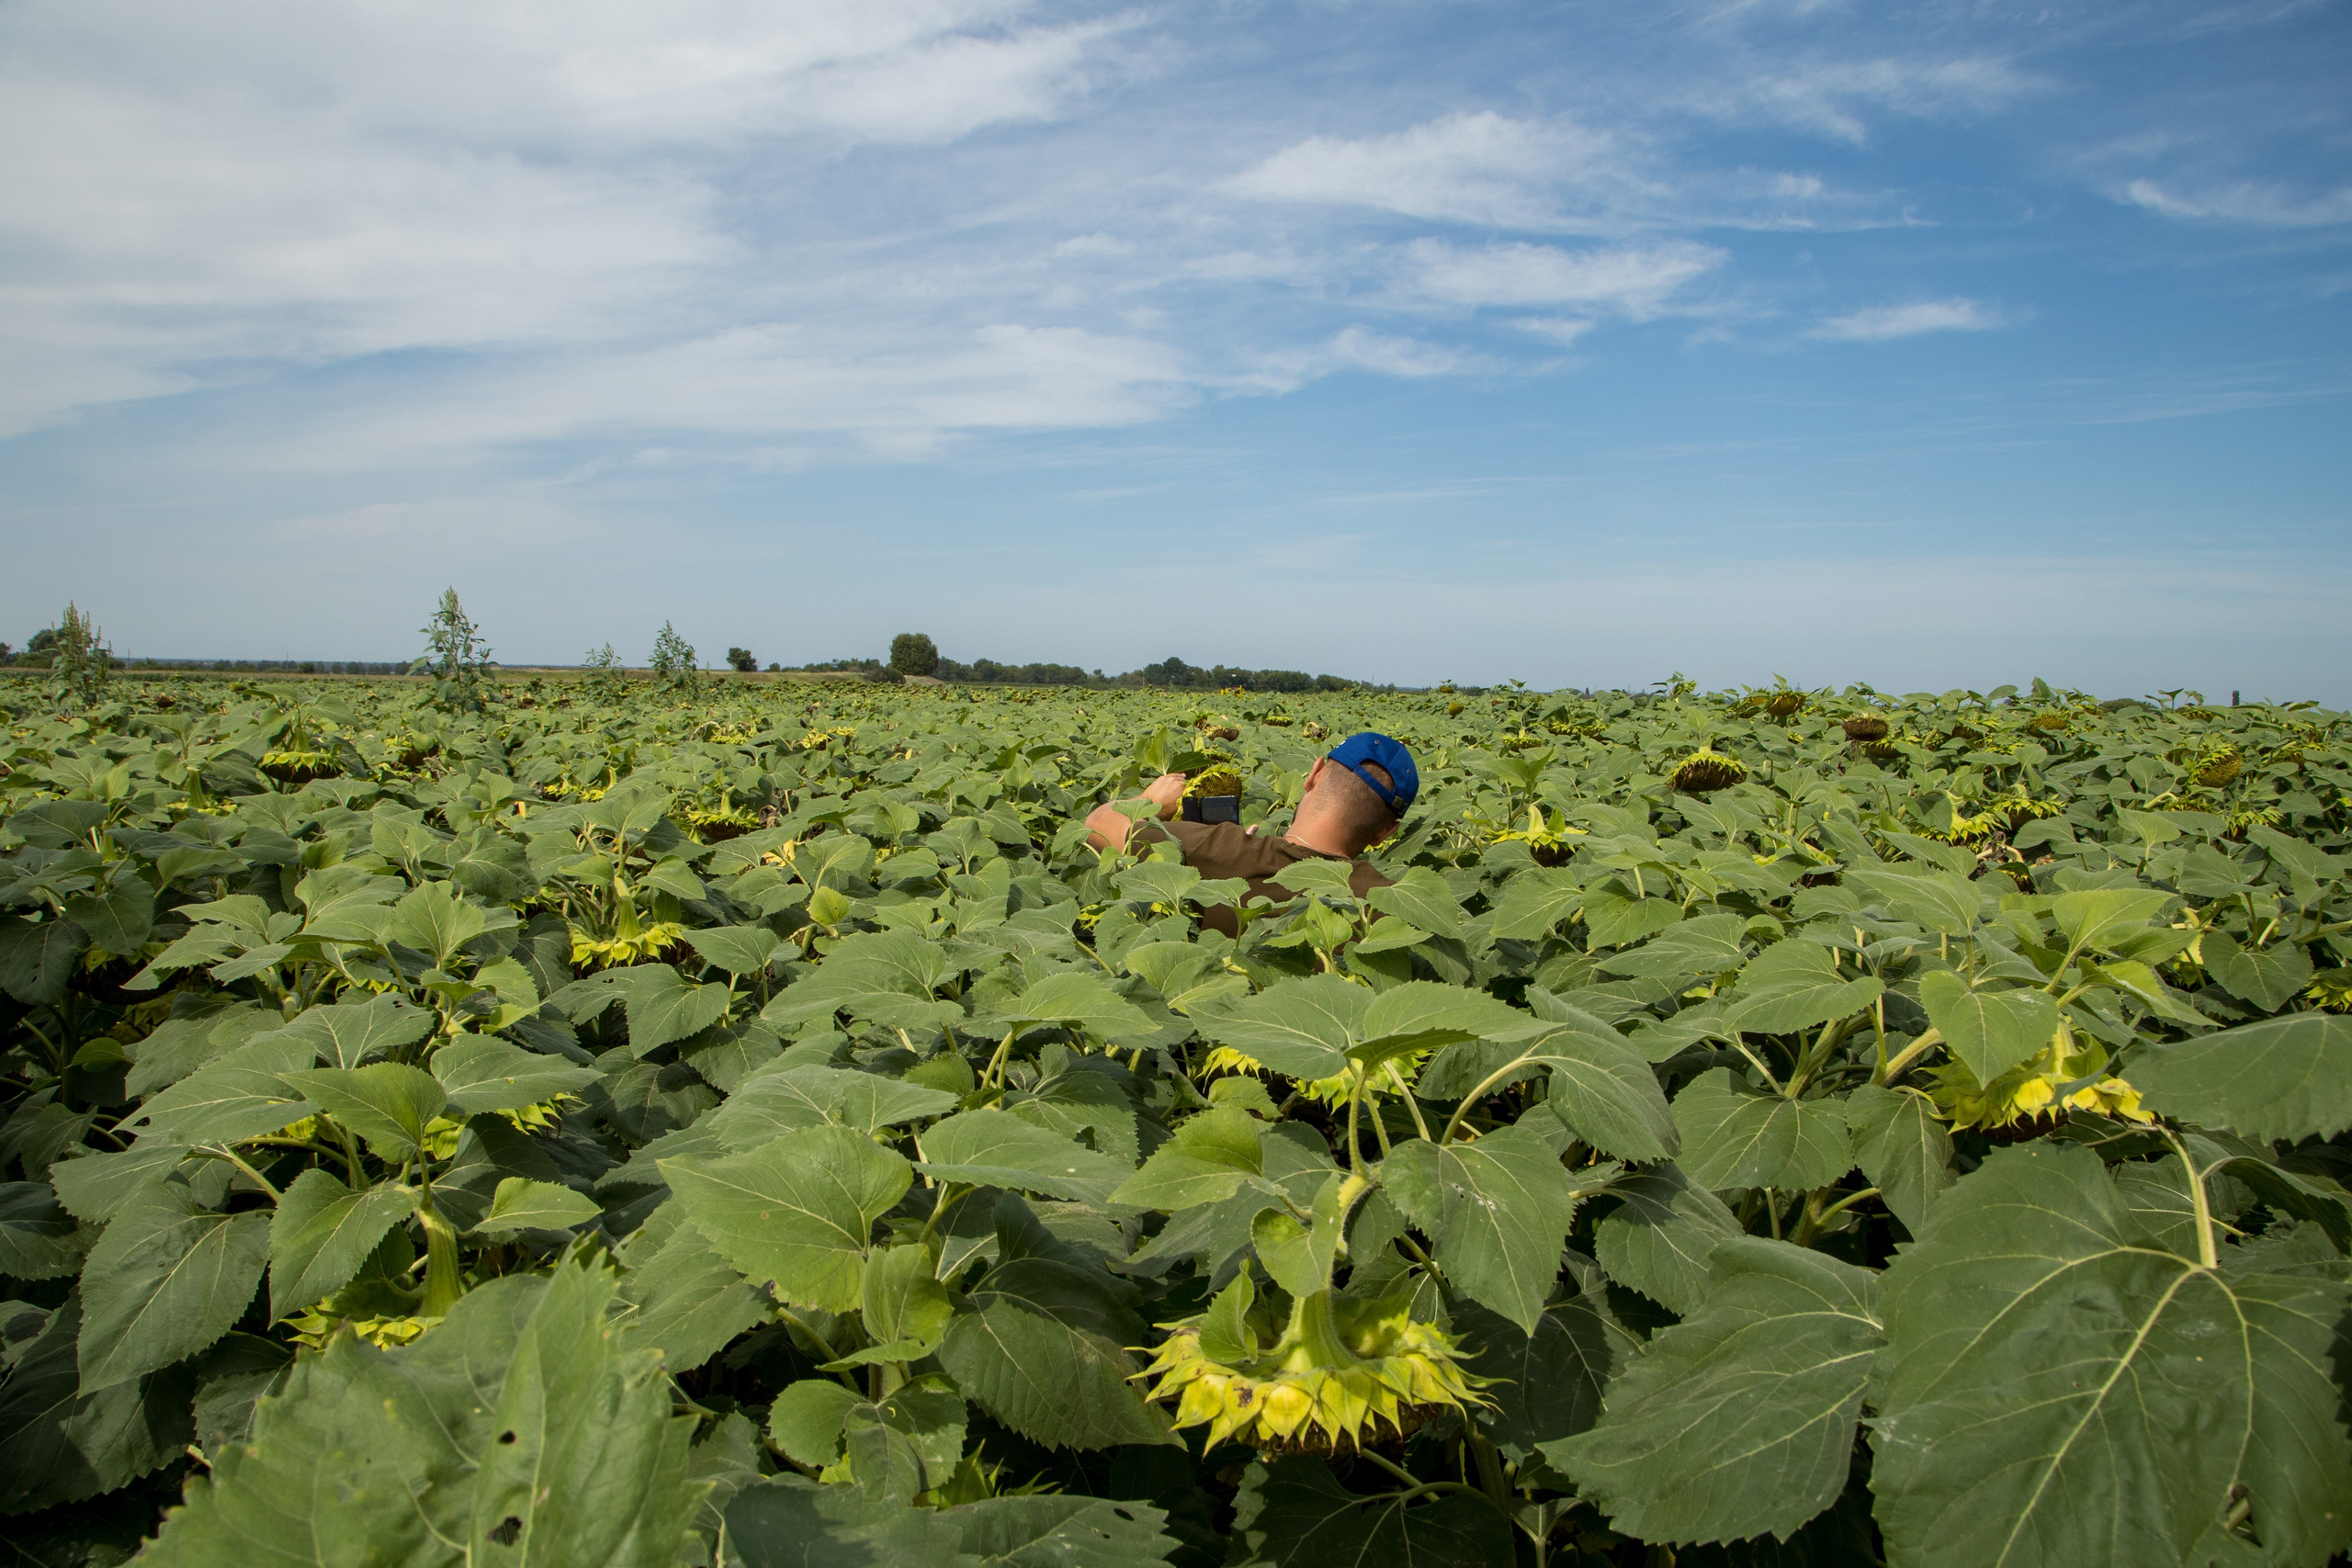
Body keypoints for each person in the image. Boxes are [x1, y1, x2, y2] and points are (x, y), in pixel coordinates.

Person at [1082, 731, 1419, 937]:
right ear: (1386, 833)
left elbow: (1096, 825)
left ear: (1314, 774)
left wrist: (1149, 802)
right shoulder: (1397, 908)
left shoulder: (1207, 848)